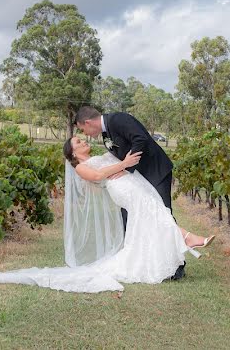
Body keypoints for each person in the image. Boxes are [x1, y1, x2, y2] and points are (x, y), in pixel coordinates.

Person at [0, 136, 214, 293]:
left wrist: (123, 165)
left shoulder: (100, 156)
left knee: (152, 217)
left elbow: (118, 165)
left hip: (133, 183)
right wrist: (122, 165)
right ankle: (187, 239)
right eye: (78, 142)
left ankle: (182, 242)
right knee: (153, 213)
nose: (83, 141)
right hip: (123, 189)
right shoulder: (80, 167)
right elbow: (97, 177)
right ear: (73, 153)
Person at [75, 106, 186, 280]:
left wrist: (127, 167)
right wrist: (123, 168)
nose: (86, 134)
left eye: (83, 130)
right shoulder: (106, 133)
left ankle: (176, 265)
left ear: (88, 122)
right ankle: (141, 261)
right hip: (136, 181)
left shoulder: (118, 119)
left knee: (162, 213)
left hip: (155, 172)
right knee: (131, 217)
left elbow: (140, 139)